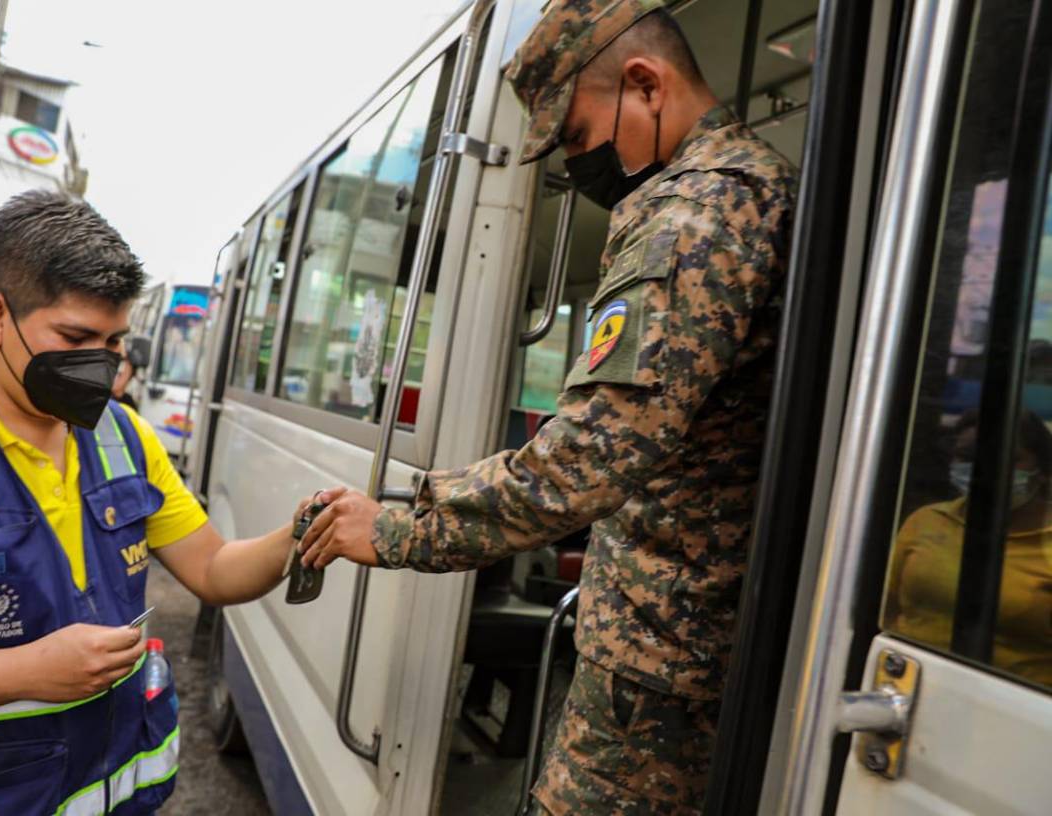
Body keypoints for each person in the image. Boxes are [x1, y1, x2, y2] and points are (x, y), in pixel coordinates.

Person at [296, 3, 797, 814]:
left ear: (644, 84)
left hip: (664, 660)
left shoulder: (696, 214)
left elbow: (589, 458)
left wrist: (395, 528)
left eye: (575, 134)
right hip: (671, 646)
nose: (579, 163)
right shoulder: (752, 189)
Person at [0, 191, 297, 814]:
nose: (100, 366)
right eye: (76, 336)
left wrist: (304, 534)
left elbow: (212, 569)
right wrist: (19, 672)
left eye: (114, 343)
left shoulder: (125, 436)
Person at [885, 410, 1052, 687]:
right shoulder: (926, 522)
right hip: (911, 688)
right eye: (967, 457)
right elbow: (890, 610)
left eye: (1007, 459)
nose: (983, 469)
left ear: (1043, 471)